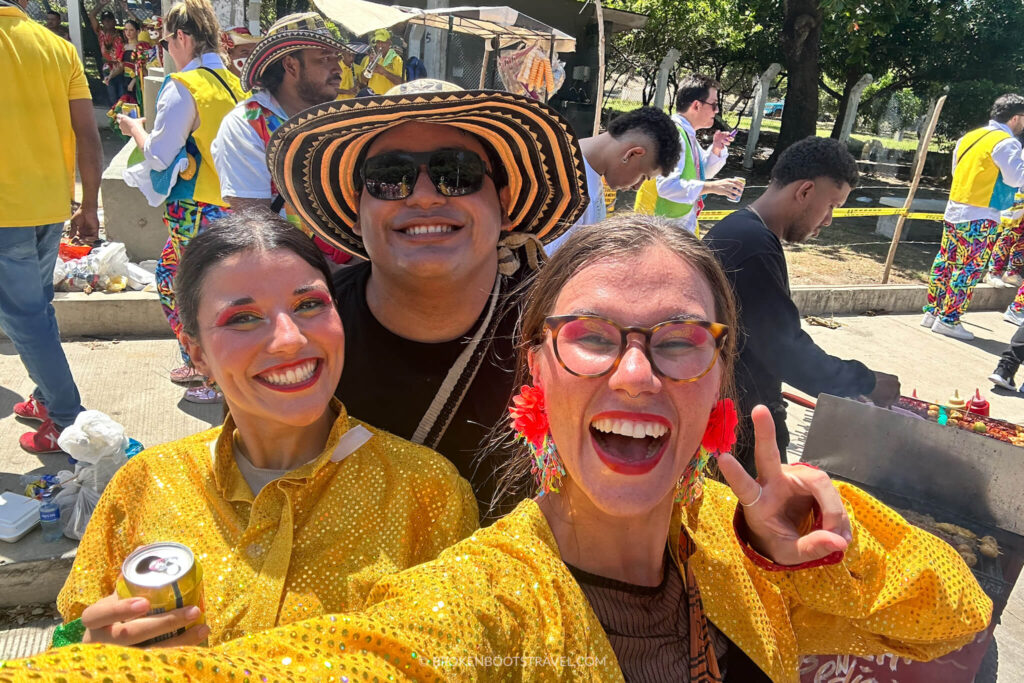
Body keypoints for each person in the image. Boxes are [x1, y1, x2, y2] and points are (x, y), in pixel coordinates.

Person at [9, 215, 993, 682]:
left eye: (680, 338)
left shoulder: (739, 544)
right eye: (595, 336)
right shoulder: (489, 599)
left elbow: (952, 615)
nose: (639, 373)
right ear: (535, 382)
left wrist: (816, 546)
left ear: (721, 382)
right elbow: (374, 654)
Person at [45, 212, 477, 649]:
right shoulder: (145, 485)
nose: (289, 339)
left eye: (308, 305)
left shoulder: (427, 493)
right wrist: (92, 653)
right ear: (197, 354)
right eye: (243, 318)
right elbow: (73, 638)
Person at [265, 78, 587, 515]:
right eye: (388, 178)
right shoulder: (302, 333)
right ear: (357, 209)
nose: (423, 196)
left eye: (456, 173)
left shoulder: (570, 339)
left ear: (506, 205)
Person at [704, 137, 901, 475]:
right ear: (806, 191)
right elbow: (786, 351)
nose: (827, 221)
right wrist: (865, 381)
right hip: (740, 426)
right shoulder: (752, 245)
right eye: (832, 206)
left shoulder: (745, 231)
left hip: (738, 414)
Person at [116, 0, 246, 404]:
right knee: (219, 288)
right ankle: (224, 369)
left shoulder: (183, 86)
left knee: (184, 287)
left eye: (167, 42)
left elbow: (157, 154)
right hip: (235, 205)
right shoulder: (233, 82)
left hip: (196, 210)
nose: (166, 51)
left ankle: (208, 376)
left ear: (183, 38)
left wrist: (135, 128)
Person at [1, 0, 102, 454]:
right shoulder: (57, 47)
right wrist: (90, 205)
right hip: (48, 206)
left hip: (6, 213)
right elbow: (88, 133)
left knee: (26, 317)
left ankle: (67, 420)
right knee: (37, 309)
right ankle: (47, 394)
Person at [212, 12, 351, 266]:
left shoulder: (337, 119)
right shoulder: (248, 125)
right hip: (295, 274)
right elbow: (256, 224)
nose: (338, 69)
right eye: (324, 59)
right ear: (291, 66)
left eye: (337, 58)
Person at [923, 94, 1024, 341]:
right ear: (1015, 118)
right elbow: (1015, 178)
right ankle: (949, 320)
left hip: (955, 208)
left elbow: (956, 170)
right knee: (969, 268)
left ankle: (933, 313)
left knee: (945, 262)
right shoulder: (1006, 142)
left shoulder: (970, 137)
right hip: (982, 213)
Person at [545, 106, 681, 253]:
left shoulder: (588, 174)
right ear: (632, 154)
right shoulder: (567, 182)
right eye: (643, 177)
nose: (637, 187)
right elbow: (544, 266)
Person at [633, 73, 744, 235]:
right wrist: (713, 187)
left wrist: (716, 149)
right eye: (713, 105)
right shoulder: (674, 135)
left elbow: (700, 173)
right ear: (697, 106)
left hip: (672, 228)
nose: (717, 110)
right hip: (659, 231)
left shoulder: (685, 133)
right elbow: (667, 187)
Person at [88, 0, 125, 105]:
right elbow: (91, 15)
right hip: (108, 67)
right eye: (104, 20)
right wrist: (102, 4)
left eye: (110, 20)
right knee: (112, 94)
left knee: (122, 94)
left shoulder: (121, 34)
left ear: (114, 21)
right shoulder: (100, 33)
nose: (107, 22)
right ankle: (113, 117)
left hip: (121, 67)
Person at [358, 28, 402, 95]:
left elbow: (401, 83)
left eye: (383, 42)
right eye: (378, 42)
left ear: (389, 43)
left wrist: (384, 72)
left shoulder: (397, 59)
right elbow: (363, 80)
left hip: (389, 98)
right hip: (373, 98)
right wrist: (369, 66)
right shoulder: (371, 58)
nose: (380, 45)